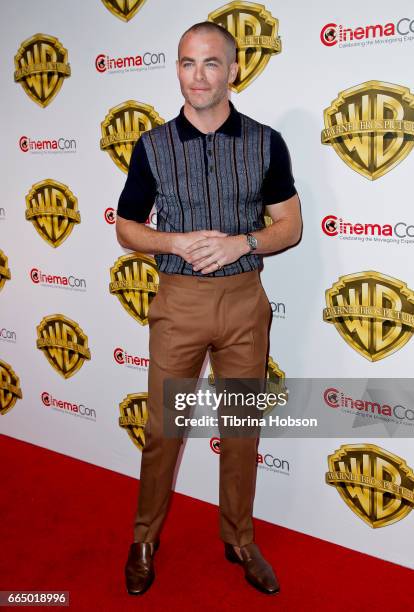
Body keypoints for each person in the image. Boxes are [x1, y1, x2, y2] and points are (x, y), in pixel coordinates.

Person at [116, 21, 302, 596]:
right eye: (187, 63)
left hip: (246, 300)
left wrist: (240, 242)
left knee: (242, 429)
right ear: (177, 69)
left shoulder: (266, 142)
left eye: (211, 63)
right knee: (162, 431)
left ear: (234, 69)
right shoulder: (151, 146)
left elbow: (290, 225)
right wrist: (173, 241)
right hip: (179, 302)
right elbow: (126, 227)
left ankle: (240, 538)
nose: (198, 76)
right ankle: (144, 538)